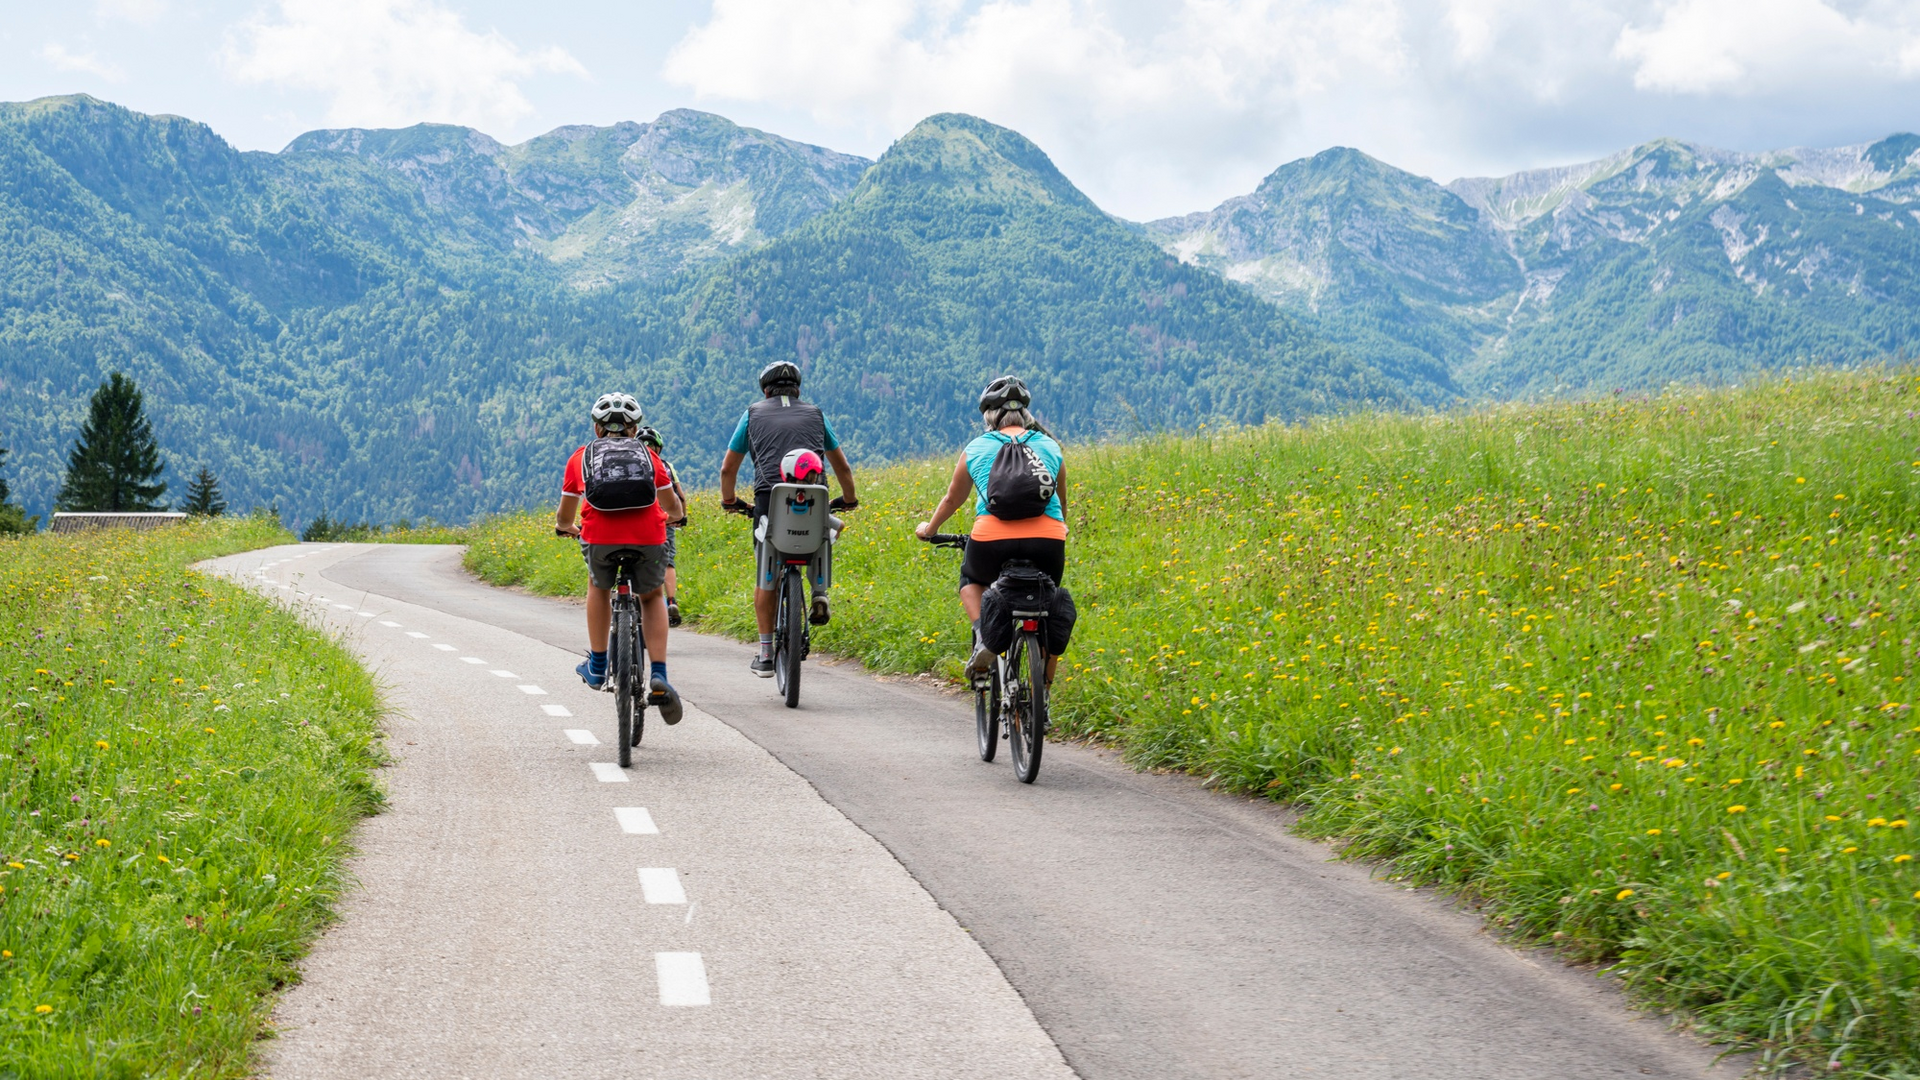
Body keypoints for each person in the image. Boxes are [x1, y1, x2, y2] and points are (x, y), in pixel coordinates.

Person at [913, 375, 1068, 681]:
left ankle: (984, 635)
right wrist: (1055, 532)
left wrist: (929, 530)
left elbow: (951, 499)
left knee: (970, 580)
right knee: (1048, 609)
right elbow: (1061, 506)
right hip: (1048, 541)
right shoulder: (1050, 446)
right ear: (1025, 414)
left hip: (991, 541)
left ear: (989, 417)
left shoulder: (976, 447)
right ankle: (1044, 699)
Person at [718, 360, 858, 677]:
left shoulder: (752, 414)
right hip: (815, 496)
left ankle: (766, 654)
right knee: (821, 534)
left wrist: (730, 500)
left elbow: (728, 468)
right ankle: (819, 593)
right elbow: (842, 467)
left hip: (770, 498)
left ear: (765, 390)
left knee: (767, 567)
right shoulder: (816, 414)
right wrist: (849, 499)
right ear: (797, 390)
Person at [556, 393, 686, 723]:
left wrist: (567, 528)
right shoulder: (651, 458)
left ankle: (598, 666)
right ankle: (659, 674)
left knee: (598, 587)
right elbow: (674, 508)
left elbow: (564, 515)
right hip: (648, 538)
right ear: (634, 429)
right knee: (653, 595)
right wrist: (671, 518)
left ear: (598, 429)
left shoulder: (580, 458)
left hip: (599, 538)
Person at [637, 426, 689, 628]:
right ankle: (671, 601)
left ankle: (632, 600)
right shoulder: (666, 465)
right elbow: (679, 495)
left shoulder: (632, 464)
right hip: (665, 519)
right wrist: (681, 517)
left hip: (638, 518)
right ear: (659, 448)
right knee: (668, 561)